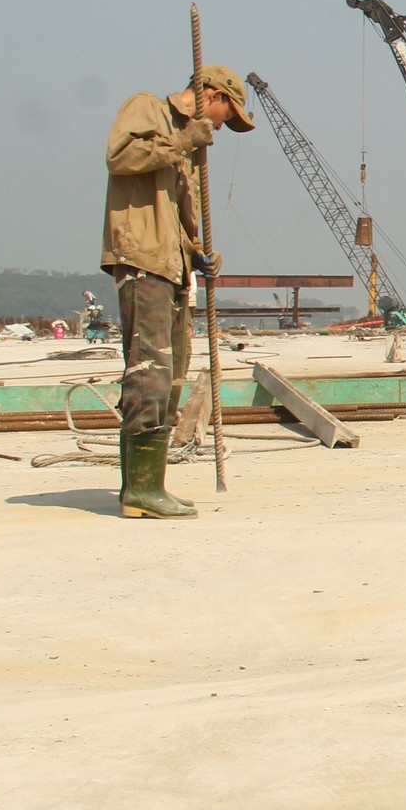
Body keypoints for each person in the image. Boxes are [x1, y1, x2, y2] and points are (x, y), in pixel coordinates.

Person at [101, 63, 255, 518]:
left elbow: (177, 215)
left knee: (171, 375)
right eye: (228, 114)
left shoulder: (188, 148)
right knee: (148, 370)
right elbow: (120, 158)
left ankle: (149, 485)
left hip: (172, 267)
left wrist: (198, 253)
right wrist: (187, 139)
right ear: (212, 95)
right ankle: (139, 491)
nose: (222, 126)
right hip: (141, 259)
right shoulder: (147, 108)